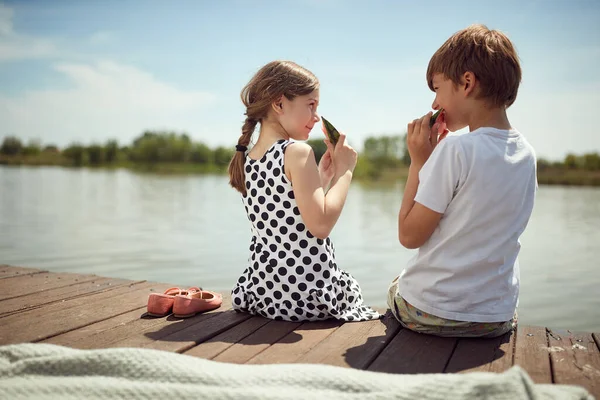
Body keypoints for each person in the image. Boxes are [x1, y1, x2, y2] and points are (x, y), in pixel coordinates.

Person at [388, 24, 537, 337]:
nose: (433, 104)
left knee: (398, 285)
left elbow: (409, 236)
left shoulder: (456, 149)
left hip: (432, 313)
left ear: (467, 83)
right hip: (495, 318)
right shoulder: (527, 154)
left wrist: (418, 162)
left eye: (438, 89)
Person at [228, 60, 380, 322]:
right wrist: (345, 171)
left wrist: (323, 177)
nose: (317, 116)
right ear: (279, 103)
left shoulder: (248, 158)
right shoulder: (296, 151)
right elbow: (320, 226)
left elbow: (289, 214)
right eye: (311, 105)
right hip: (307, 299)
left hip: (266, 295)